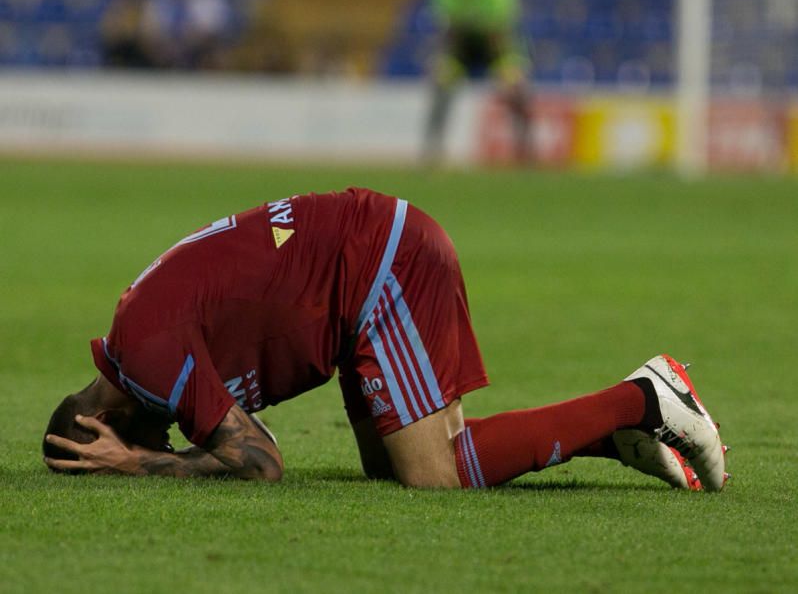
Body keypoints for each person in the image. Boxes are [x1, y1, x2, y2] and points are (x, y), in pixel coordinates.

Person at [43, 188, 728, 490]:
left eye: (135, 440)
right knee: (395, 467)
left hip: (379, 267)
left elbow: (259, 464)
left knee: (435, 476)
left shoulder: (151, 358)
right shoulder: (139, 338)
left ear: (102, 419)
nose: (166, 442)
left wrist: (137, 466)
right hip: (361, 276)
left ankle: (640, 400)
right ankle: (610, 438)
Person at [424, 0, 534, 164]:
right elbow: (449, 30)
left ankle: (525, 151)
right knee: (440, 83)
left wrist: (506, 68)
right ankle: (433, 151)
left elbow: (502, 30)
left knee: (516, 89)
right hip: (463, 44)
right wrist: (444, 61)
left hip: (494, 43)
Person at [140, 0, 232, 69]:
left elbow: (215, 30)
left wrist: (187, 41)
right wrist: (166, 43)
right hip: (162, 53)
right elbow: (148, 30)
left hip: (200, 52)